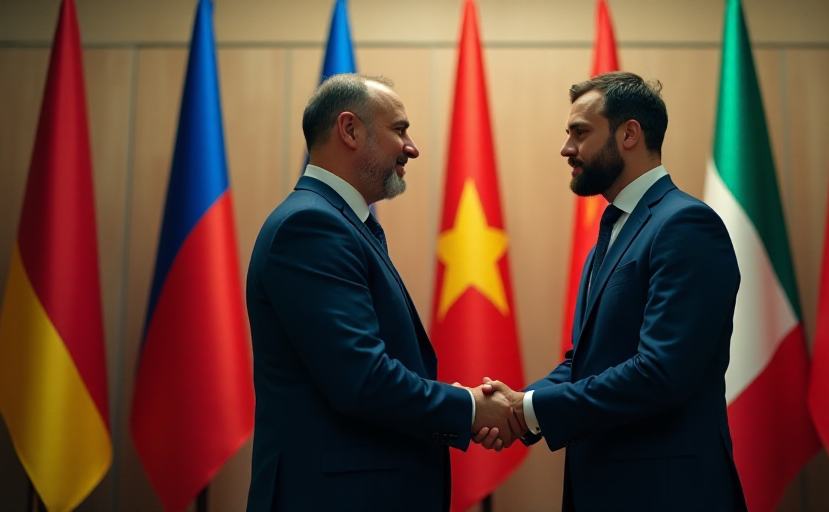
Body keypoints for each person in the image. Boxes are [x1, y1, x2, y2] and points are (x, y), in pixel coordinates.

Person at [245, 74, 522, 512]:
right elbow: (362, 380)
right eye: (399, 129)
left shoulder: (342, 224)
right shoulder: (311, 227)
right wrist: (469, 408)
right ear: (350, 129)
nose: (411, 147)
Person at [480, 71, 748, 511]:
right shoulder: (610, 235)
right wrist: (521, 407)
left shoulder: (685, 225)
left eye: (580, 133)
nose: (567, 148)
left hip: (668, 493)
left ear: (629, 134)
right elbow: (584, 362)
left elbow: (660, 373)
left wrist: (528, 409)